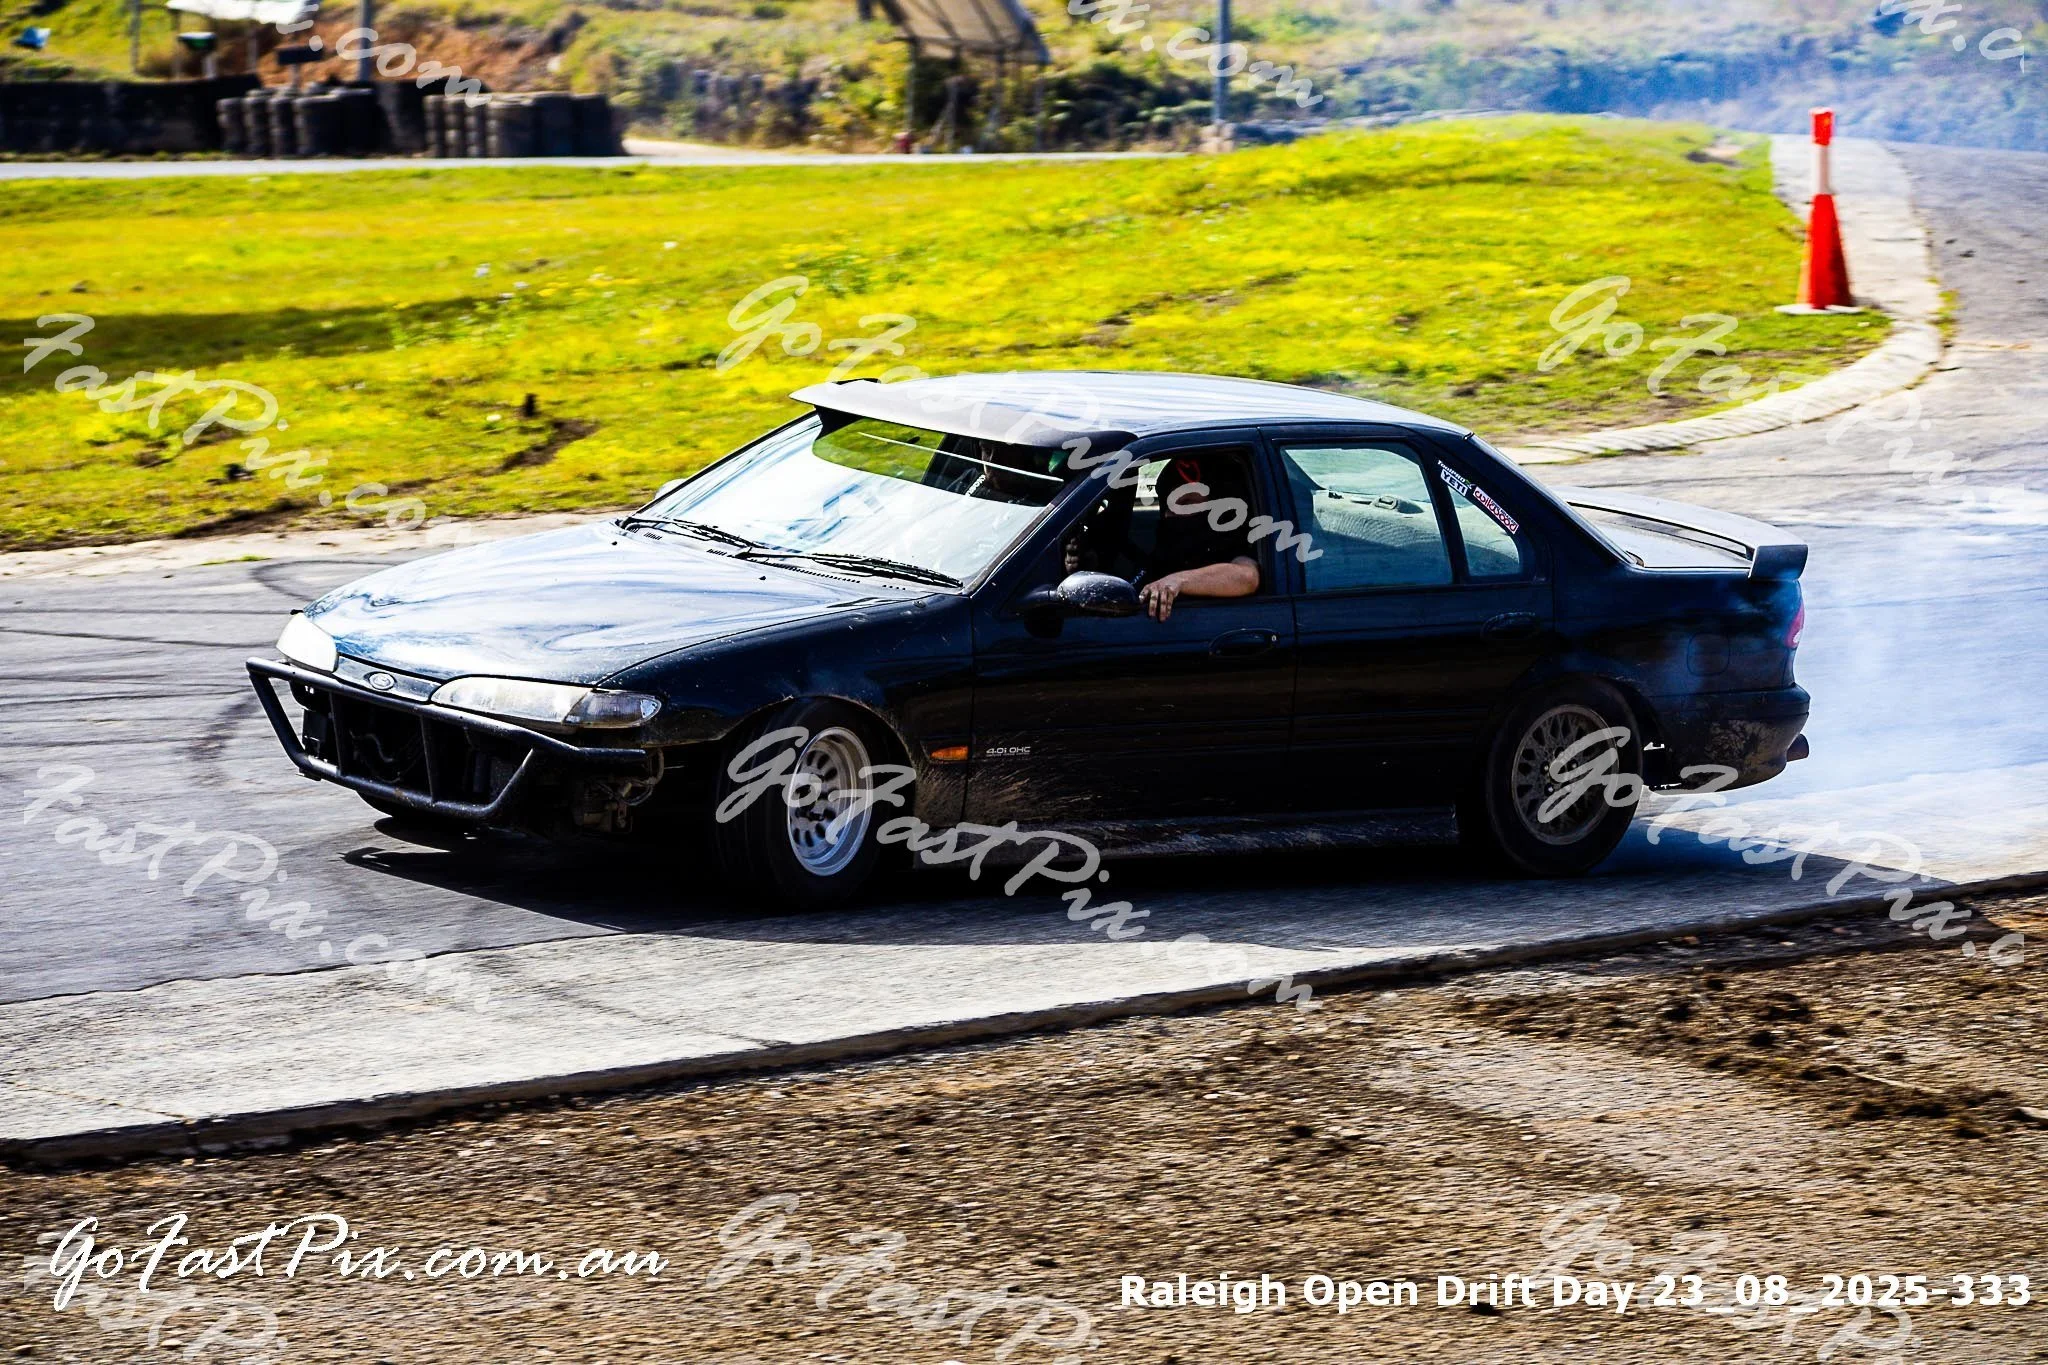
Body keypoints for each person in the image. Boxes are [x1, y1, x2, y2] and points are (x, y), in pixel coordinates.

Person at [1135, 456, 1260, 621]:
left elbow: (1248, 577)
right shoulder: (1166, 548)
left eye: (1186, 503)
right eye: (1168, 506)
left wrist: (1178, 581)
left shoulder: (1233, 541)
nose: (1171, 515)